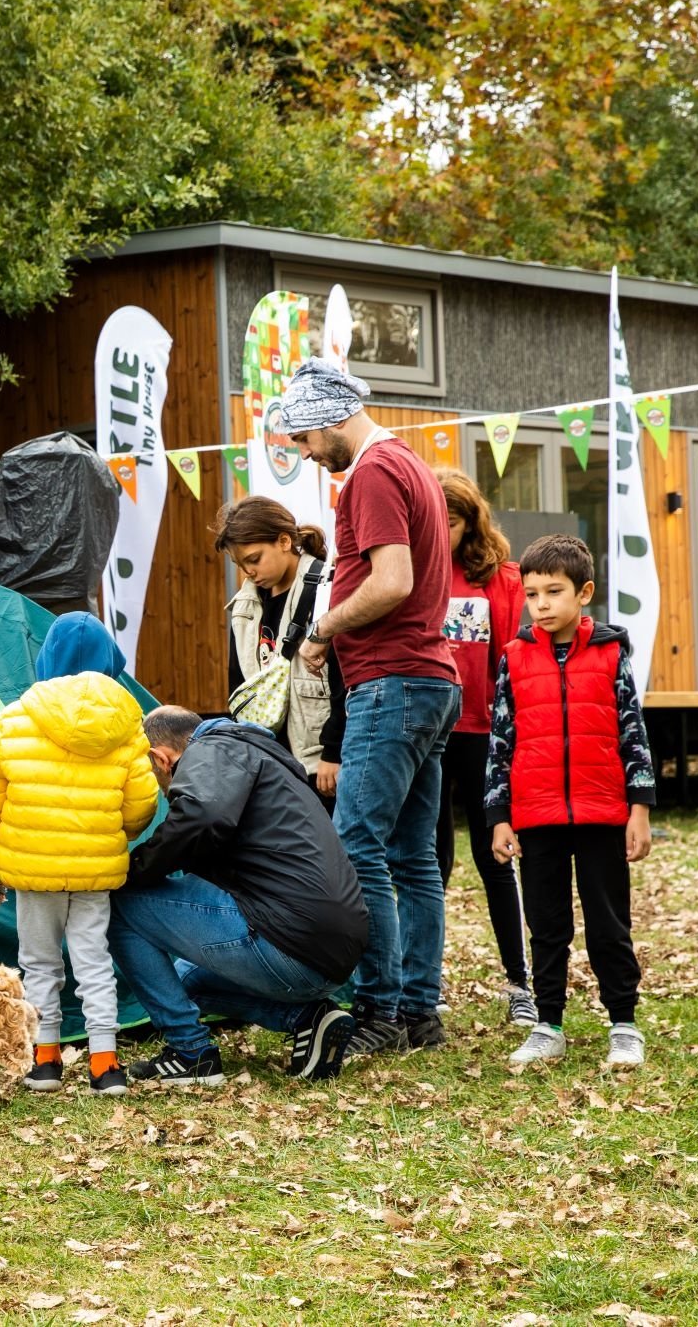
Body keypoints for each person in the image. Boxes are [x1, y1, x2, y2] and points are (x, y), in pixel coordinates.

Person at [285, 359, 461, 1058]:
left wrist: (323, 629)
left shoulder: (373, 473)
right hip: (429, 680)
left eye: (302, 437)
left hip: (393, 681)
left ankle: (380, 1010)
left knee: (359, 846)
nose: (303, 452)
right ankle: (420, 1011)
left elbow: (393, 580)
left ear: (330, 418)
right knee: (414, 855)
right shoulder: (411, 463)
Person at [112, 707, 367, 1085]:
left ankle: (191, 1053)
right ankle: (308, 1019)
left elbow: (200, 817)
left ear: (161, 758)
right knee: (184, 986)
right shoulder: (259, 754)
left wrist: (129, 870)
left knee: (122, 904)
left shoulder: (212, 751)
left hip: (288, 938)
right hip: (331, 952)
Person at [0, 612, 158, 1097]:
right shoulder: (127, 724)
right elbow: (141, 805)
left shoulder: (11, 721)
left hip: (32, 870)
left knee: (38, 963)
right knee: (94, 961)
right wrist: (110, 834)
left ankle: (46, 1060)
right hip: (95, 871)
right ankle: (105, 1062)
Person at [486, 535, 655, 1068]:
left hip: (603, 813)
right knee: (547, 925)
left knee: (609, 923)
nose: (541, 604)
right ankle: (548, 1024)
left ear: (584, 593)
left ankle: (623, 1023)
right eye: (531, 593)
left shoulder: (610, 652)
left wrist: (640, 807)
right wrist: (498, 816)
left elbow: (633, 732)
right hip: (537, 818)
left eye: (553, 592)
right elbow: (500, 740)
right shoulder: (513, 659)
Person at [435, 471, 535, 1025]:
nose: (441, 531)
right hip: (428, 734)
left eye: (451, 522)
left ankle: (519, 982)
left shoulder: (501, 578)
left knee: (494, 859)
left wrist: (508, 734)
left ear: (471, 521)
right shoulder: (415, 565)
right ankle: (429, 979)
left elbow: (506, 659)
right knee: (432, 862)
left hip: (481, 733)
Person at [215, 494, 347, 802]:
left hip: (318, 759)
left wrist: (333, 751)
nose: (248, 572)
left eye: (254, 559)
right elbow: (240, 687)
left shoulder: (326, 588)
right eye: (239, 564)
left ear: (284, 541)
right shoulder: (244, 605)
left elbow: (345, 679)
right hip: (269, 760)